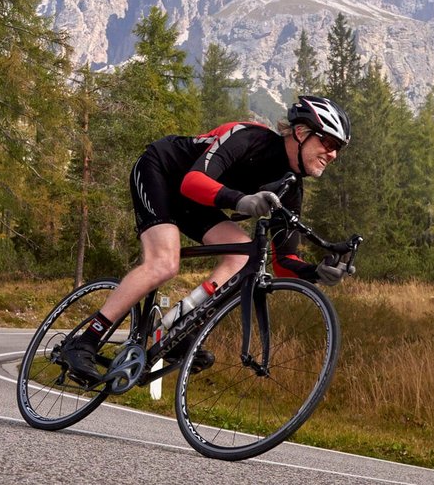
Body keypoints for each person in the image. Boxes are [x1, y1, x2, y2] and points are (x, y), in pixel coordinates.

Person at [61, 95, 357, 384]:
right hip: (162, 171)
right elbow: (193, 181)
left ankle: (178, 328)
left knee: (243, 259)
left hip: (198, 201)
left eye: (338, 149)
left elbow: (283, 263)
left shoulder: (290, 188)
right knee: (164, 262)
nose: (332, 154)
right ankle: (85, 341)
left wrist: (315, 272)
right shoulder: (248, 137)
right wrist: (242, 201)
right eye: (328, 143)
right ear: (301, 132)